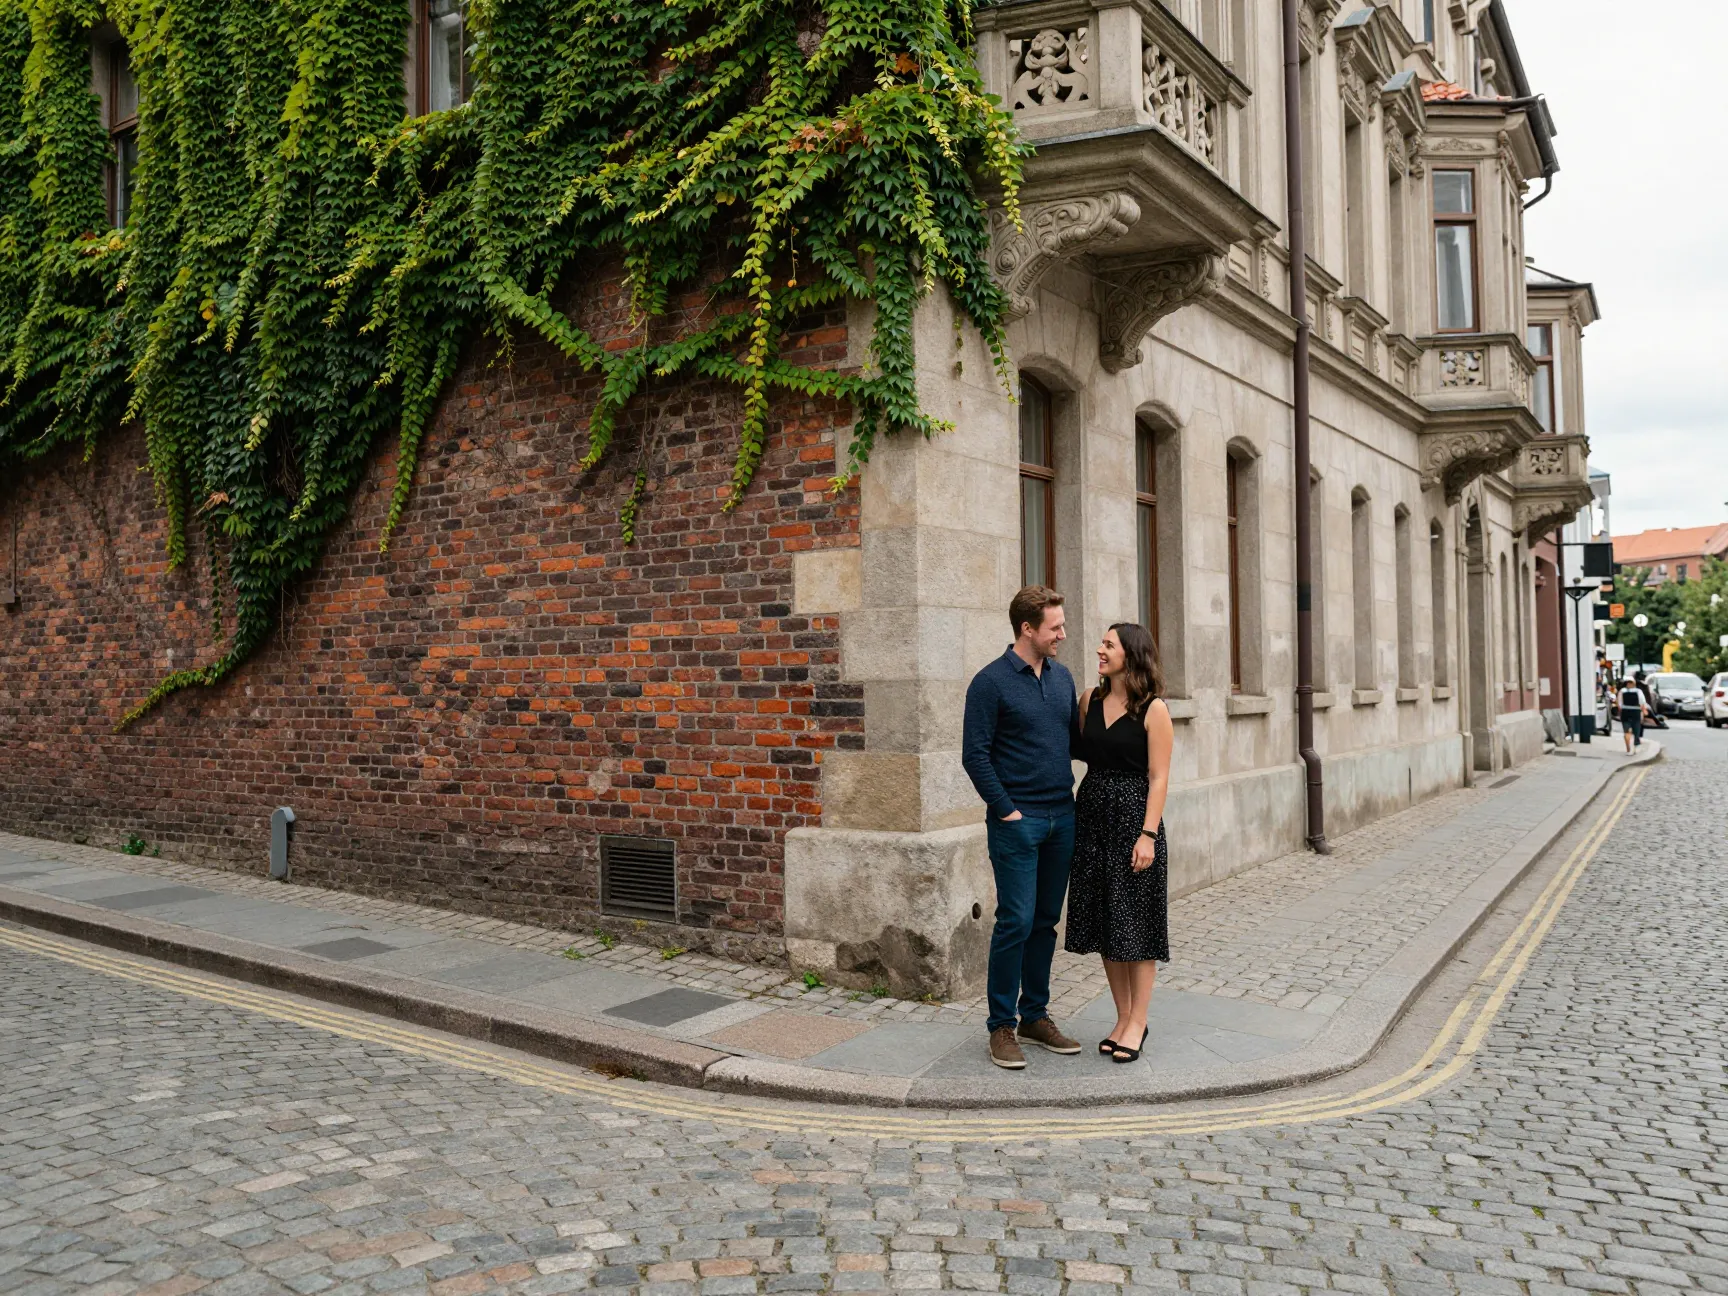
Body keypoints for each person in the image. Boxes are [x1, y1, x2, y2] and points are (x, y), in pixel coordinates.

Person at [961, 586, 1085, 1070]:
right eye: (1055, 627)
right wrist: (1007, 810)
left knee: (1045, 923)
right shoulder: (989, 683)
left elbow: (1076, 743)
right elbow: (974, 755)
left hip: (1062, 817)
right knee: (1015, 920)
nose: (1063, 634)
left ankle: (1035, 1015)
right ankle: (1001, 1026)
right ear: (1027, 629)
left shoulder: (1062, 677)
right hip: (1018, 823)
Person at [1064, 623, 1174, 1064]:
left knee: (1136, 925)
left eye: (1108, 644)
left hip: (1134, 821)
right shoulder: (1089, 700)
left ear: (1131, 654)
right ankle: (1123, 1016)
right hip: (1092, 817)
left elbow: (1159, 777)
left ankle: (1140, 1021)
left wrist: (1147, 834)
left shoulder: (1154, 710)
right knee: (1107, 922)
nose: (1100, 650)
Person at [1619, 671, 1650, 752]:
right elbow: (1642, 703)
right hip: (1635, 712)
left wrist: (1620, 712)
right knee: (1636, 730)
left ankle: (1628, 748)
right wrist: (1644, 712)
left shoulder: (1622, 691)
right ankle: (1635, 745)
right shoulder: (1638, 691)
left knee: (1626, 731)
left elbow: (1619, 703)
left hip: (1625, 712)